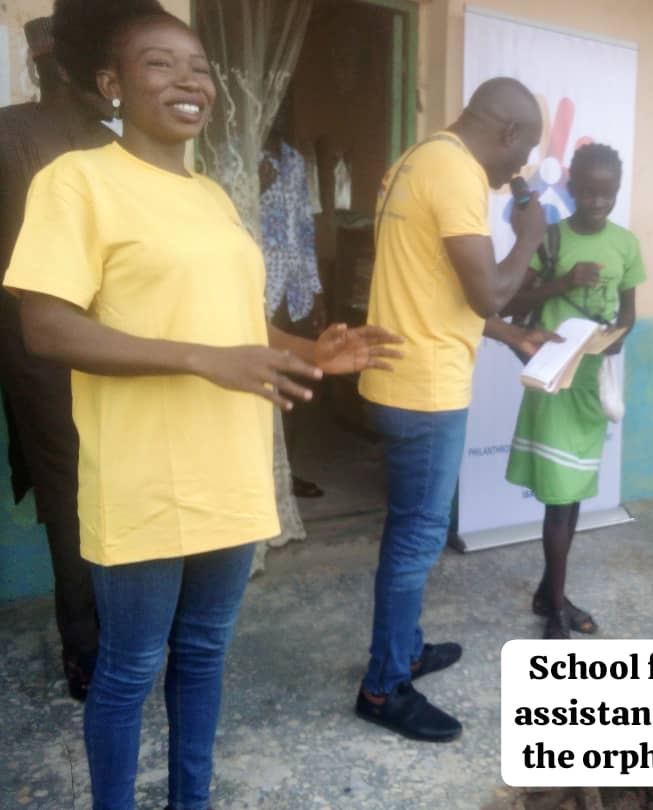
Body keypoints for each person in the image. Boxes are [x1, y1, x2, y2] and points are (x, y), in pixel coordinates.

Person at [6, 3, 402, 807]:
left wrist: (307, 351)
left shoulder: (216, 198)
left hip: (229, 469)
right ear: (112, 84)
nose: (190, 80)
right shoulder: (76, 182)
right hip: (144, 477)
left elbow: (232, 324)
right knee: (129, 668)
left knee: (204, 653)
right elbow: (46, 326)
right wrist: (200, 359)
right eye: (160, 63)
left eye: (199, 66)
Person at [356, 76, 553, 742]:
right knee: (415, 540)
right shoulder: (459, 172)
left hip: (400, 377)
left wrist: (511, 337)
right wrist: (529, 236)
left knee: (409, 529)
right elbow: (489, 292)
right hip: (427, 390)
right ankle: (384, 687)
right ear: (508, 132)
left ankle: (404, 649)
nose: (518, 169)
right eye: (523, 152)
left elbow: (435, 288)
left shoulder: (419, 158)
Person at [0, 15, 117, 701]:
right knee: (70, 496)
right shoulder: (11, 135)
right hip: (40, 355)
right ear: (67, 72)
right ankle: (85, 648)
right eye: (102, 70)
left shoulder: (113, 144)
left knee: (102, 490)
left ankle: (109, 635)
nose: (114, 84)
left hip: (111, 347)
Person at [502, 143, 644, 639]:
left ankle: (550, 593)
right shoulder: (551, 238)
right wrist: (564, 283)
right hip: (554, 380)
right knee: (559, 500)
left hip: (590, 385)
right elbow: (511, 299)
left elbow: (629, 312)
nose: (597, 202)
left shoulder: (626, 244)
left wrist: (616, 336)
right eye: (586, 191)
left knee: (574, 494)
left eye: (607, 193)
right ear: (570, 187)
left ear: (617, 190)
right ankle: (556, 610)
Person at [259, 106, 327, 499]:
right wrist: (252, 190)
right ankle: (256, 473)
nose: (280, 115)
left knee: (295, 384)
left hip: (295, 292)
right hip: (256, 288)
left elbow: (305, 228)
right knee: (258, 382)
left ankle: (286, 472)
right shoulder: (237, 157)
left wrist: (316, 292)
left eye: (287, 107)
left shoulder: (296, 162)